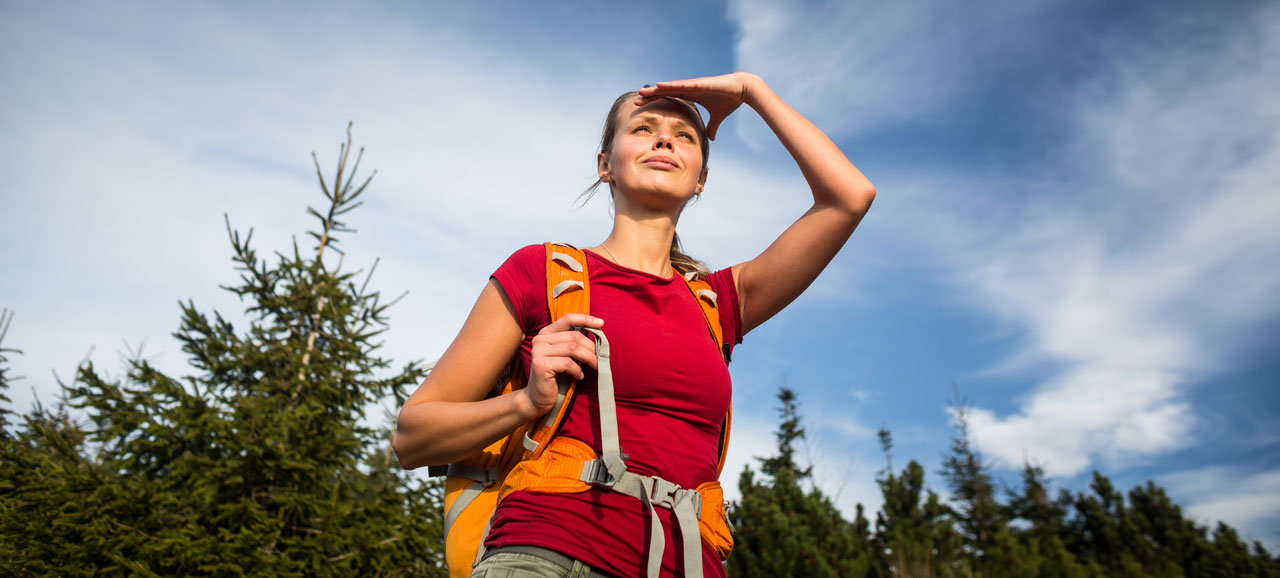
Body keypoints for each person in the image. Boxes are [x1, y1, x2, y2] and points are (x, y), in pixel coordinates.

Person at [393, 72, 876, 578]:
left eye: (685, 135)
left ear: (700, 178)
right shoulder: (542, 272)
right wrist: (526, 402)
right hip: (549, 551)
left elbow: (849, 196)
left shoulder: (720, 304)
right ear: (606, 165)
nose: (665, 138)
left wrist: (751, 91)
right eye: (643, 128)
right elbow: (412, 437)